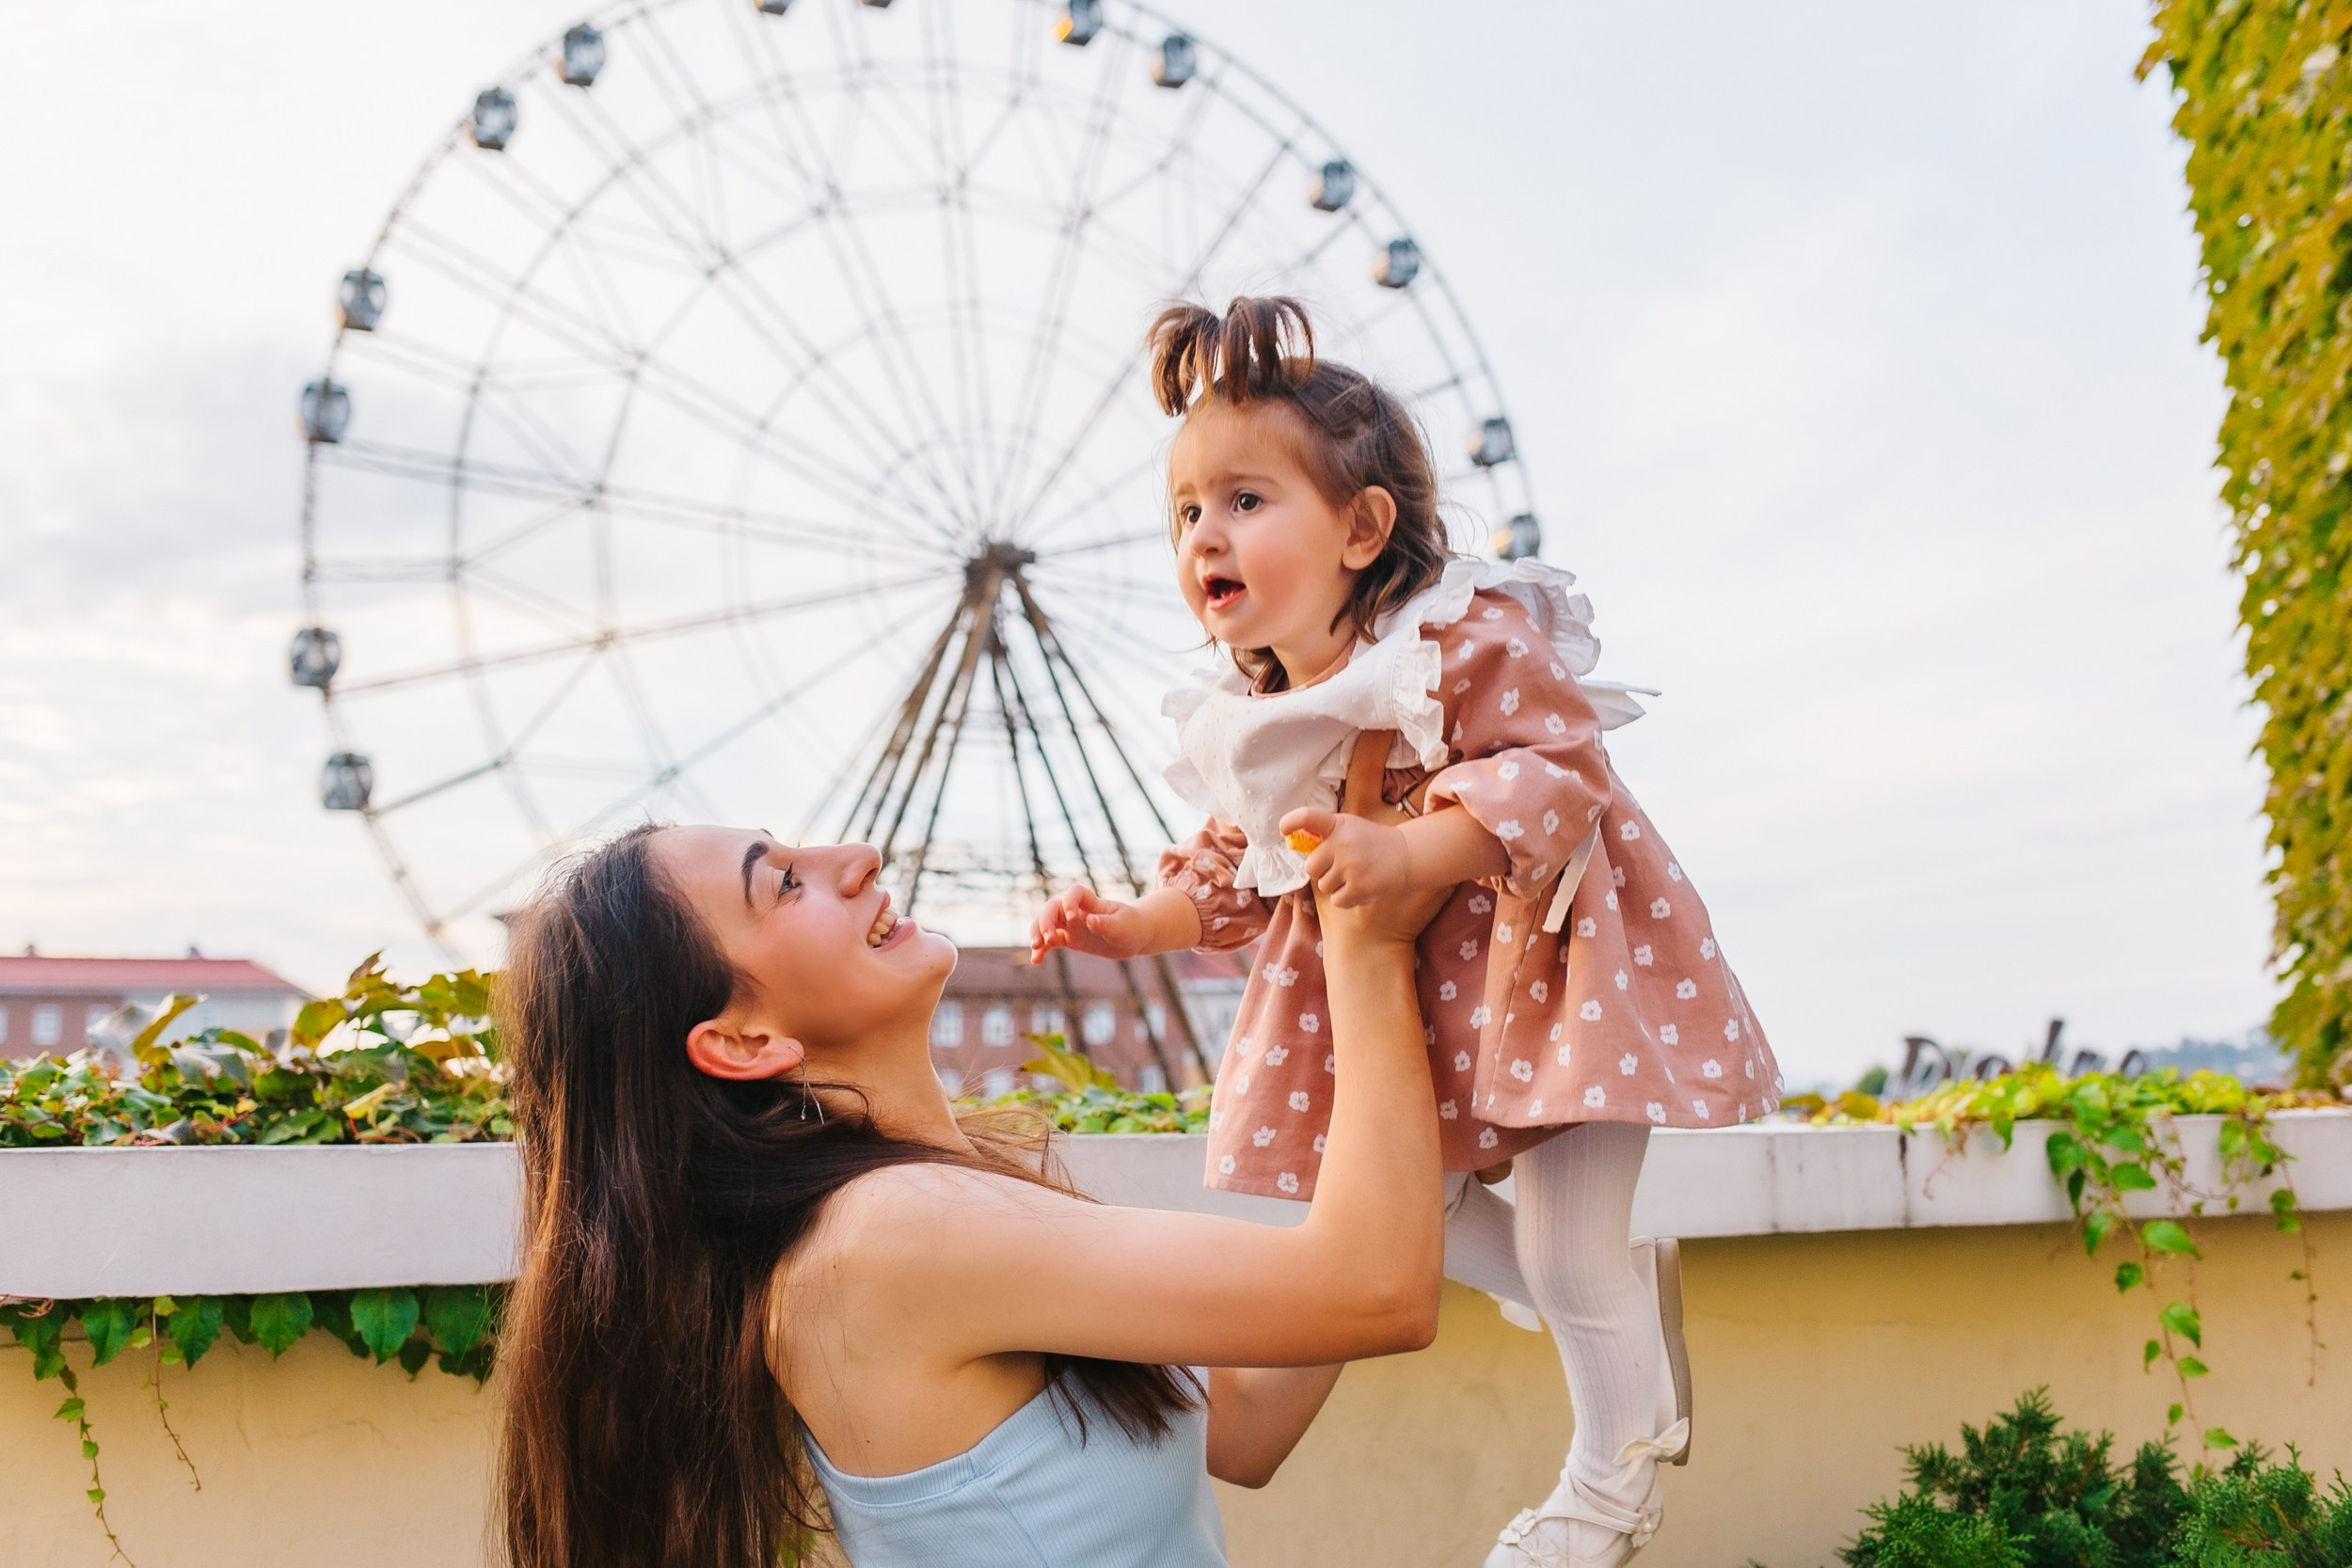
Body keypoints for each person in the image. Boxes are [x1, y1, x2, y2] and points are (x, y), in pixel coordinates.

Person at [1028, 295, 1785, 1567]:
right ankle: (1621, 1320)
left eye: (1245, 501)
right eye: (1186, 512)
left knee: (1561, 1239)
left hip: (1554, 966)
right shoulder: (1250, 706)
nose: (1205, 534)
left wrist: (1415, 847)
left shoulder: (1454, 637)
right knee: (1404, 1223)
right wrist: (1128, 924)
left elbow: (1560, 773)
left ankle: (1606, 1490)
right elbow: (1233, 871)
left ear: (1362, 526)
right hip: (1425, 1019)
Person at [492, 776, 1450, 1568]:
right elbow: (1376, 1290)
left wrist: (1408, 1078)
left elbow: (1238, 1428)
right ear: (743, 1040)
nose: (855, 854)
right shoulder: (890, 1232)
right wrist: (1371, 940)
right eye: (783, 883)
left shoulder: (913, 1204)